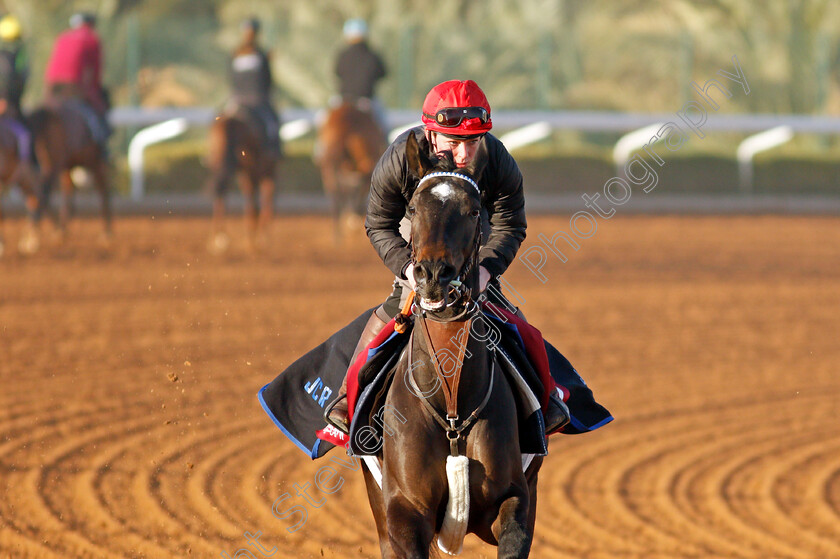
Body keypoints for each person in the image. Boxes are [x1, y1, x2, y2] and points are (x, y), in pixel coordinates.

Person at [326, 79, 575, 435]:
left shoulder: (496, 158)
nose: (464, 154)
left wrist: (488, 269)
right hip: (420, 242)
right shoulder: (400, 158)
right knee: (393, 309)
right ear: (430, 134)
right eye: (454, 142)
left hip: (471, 243)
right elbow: (379, 223)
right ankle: (345, 401)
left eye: (472, 142)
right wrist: (407, 270)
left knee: (514, 322)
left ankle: (546, 399)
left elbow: (511, 223)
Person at [44, 12, 111, 151]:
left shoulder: (62, 37)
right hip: (75, 87)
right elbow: (95, 72)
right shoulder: (92, 39)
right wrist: (95, 96)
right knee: (97, 116)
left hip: (52, 88)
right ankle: (102, 151)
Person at [225, 17, 281, 156]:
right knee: (272, 124)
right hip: (258, 101)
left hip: (237, 100)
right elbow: (267, 79)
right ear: (257, 33)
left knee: (218, 119)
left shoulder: (235, 54)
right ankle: (273, 151)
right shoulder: (261, 55)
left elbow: (230, 77)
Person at [334, 18, 387, 133]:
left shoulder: (342, 55)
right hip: (367, 101)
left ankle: (320, 149)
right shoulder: (372, 55)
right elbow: (383, 73)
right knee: (384, 127)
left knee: (323, 123)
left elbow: (337, 72)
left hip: (343, 100)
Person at [0, 13, 32, 162]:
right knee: (24, 135)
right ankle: (25, 166)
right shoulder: (15, 55)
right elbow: (13, 80)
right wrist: (5, 100)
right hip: (8, 103)